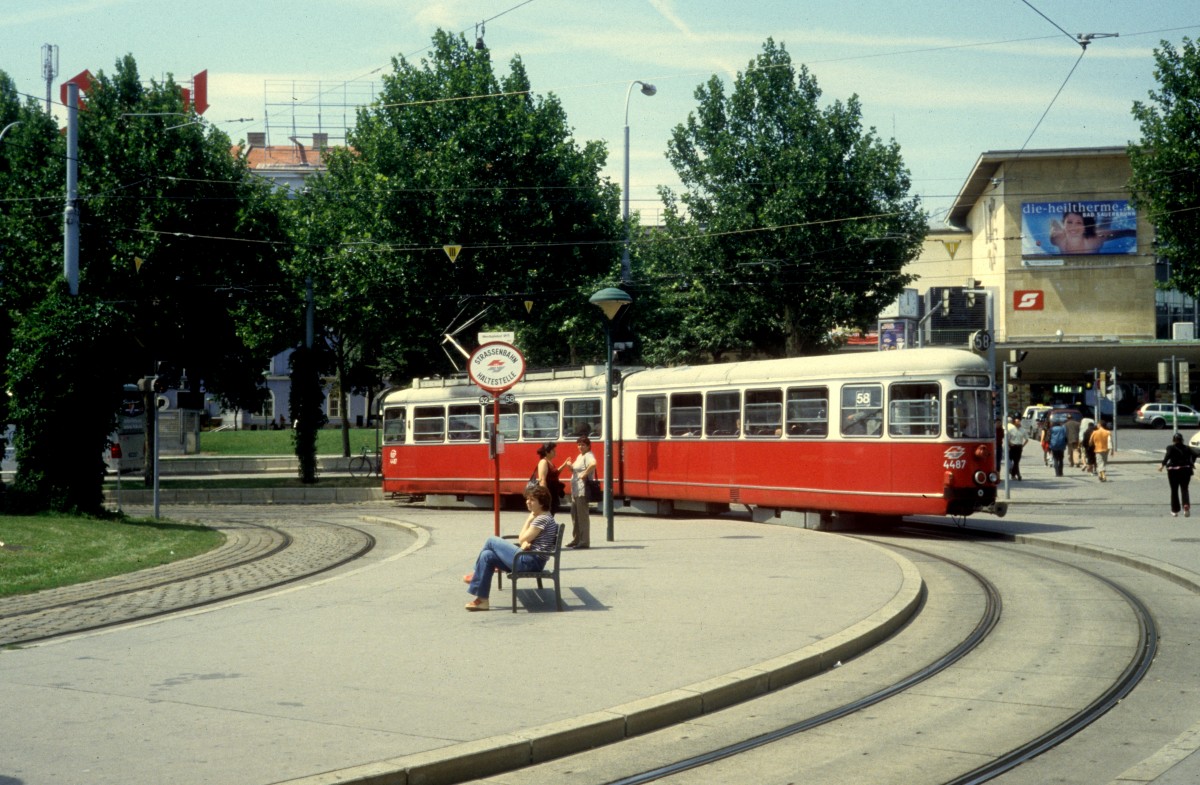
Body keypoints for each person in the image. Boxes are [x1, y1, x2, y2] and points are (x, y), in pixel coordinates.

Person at [462, 485, 560, 611]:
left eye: (532, 500)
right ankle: (482, 600)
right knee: (487, 555)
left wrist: (529, 519)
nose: (527, 502)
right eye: (527, 499)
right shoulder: (546, 516)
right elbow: (527, 541)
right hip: (530, 559)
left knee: (491, 540)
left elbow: (522, 538)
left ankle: (476, 575)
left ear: (542, 503)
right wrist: (525, 542)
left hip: (529, 562)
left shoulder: (541, 519)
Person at [561, 436, 597, 549]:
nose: (580, 447)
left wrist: (585, 473)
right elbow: (575, 470)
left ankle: (584, 541)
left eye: (583, 445)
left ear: (588, 446)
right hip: (575, 490)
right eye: (579, 445)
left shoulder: (588, 455)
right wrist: (570, 467)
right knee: (575, 515)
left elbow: (593, 464)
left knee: (582, 516)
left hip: (582, 489)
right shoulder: (580, 456)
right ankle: (576, 539)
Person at [1049, 210, 1136, 255]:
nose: (1073, 227)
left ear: (1085, 227)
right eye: (1069, 222)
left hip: (1094, 234)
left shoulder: (1096, 238)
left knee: (1105, 222)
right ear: (1063, 223)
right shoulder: (1056, 238)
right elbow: (1053, 222)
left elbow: (1126, 232)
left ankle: (1107, 205)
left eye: (1079, 223)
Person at [1158, 433, 1195, 518]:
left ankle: (1175, 510)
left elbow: (1167, 456)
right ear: (1182, 440)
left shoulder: (1170, 447)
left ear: (1173, 440)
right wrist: (1191, 464)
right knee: (1184, 489)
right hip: (1186, 470)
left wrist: (1162, 465)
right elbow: (1193, 455)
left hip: (1173, 471)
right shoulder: (1187, 448)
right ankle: (1186, 506)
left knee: (1174, 490)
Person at [533, 442, 565, 514]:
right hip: (548, 492)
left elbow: (555, 474)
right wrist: (545, 496)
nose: (555, 452)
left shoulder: (549, 462)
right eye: (553, 450)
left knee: (551, 513)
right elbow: (542, 480)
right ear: (547, 452)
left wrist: (564, 465)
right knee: (546, 514)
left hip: (553, 492)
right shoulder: (543, 462)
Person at [1006, 415, 1028, 480]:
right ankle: (1017, 475)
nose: (1018, 423)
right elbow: (1007, 438)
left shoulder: (1023, 430)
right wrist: (1009, 444)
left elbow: (1027, 439)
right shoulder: (1011, 429)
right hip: (1012, 447)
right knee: (1014, 461)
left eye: (1019, 421)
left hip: (1019, 447)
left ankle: (1015, 474)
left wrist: (1022, 446)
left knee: (1016, 462)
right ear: (1014, 422)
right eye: (1016, 422)